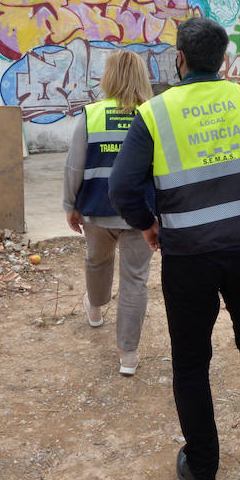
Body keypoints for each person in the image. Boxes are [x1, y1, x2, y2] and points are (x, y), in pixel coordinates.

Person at [109, 17, 240, 480]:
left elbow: (121, 186)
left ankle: (202, 472)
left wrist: (146, 222)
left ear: (179, 59)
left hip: (187, 258)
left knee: (191, 362)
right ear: (224, 61)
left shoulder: (156, 114)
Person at [63, 50, 155, 376]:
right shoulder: (153, 115)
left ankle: (95, 308)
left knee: (97, 259)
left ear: (109, 77)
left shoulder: (92, 114)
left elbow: (74, 164)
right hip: (141, 216)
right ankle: (128, 355)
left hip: (98, 211)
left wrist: (70, 204)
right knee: (135, 281)